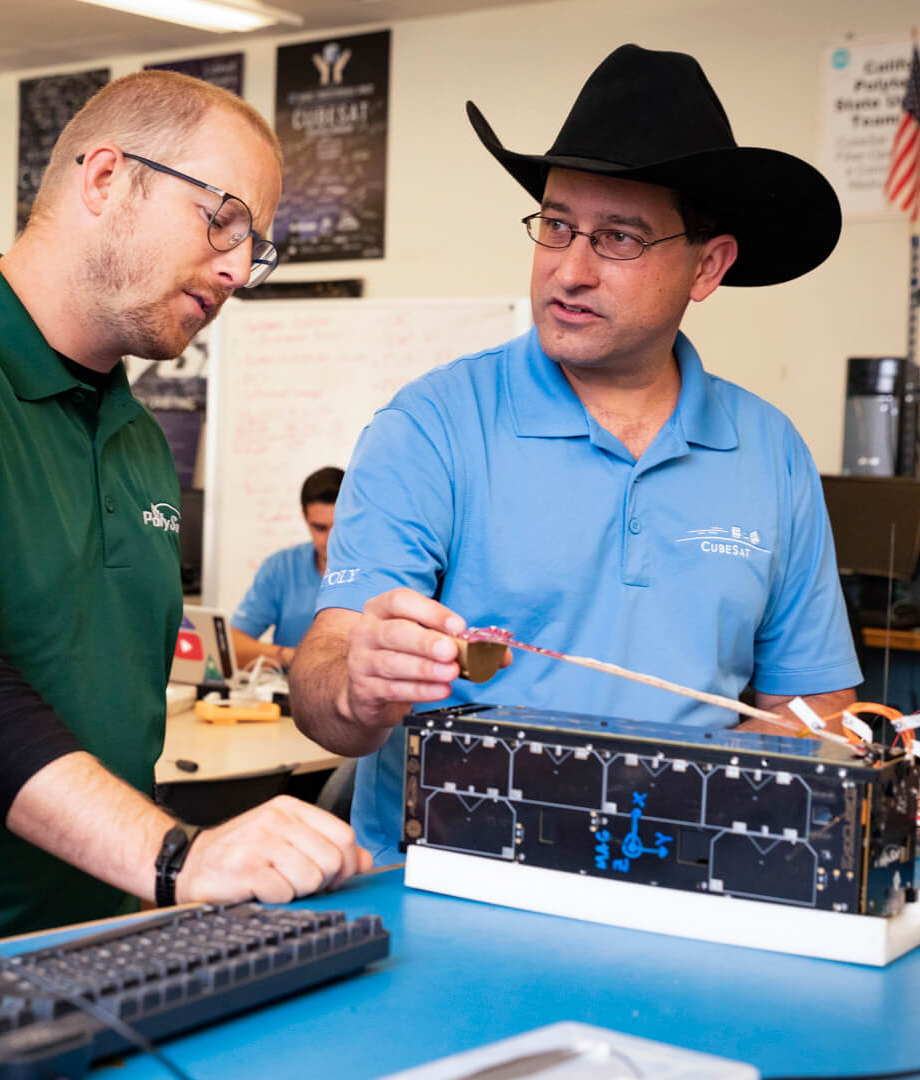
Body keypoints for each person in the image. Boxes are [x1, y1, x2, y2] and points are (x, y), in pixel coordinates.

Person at [0, 70, 369, 940]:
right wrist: (175, 856)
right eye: (223, 221)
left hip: (105, 937)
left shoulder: (138, 441)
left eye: (257, 246)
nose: (239, 270)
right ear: (104, 179)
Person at [289, 44, 864, 867]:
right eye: (556, 226)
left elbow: (815, 709)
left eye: (618, 237)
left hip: (682, 887)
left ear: (708, 266)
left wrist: (727, 811)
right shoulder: (432, 426)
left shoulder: (771, 452)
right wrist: (356, 683)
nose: (570, 270)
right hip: (450, 887)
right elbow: (323, 684)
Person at [230, 467, 341, 671]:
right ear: (305, 519)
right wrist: (291, 657)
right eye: (320, 528)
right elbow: (232, 645)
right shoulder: (280, 567)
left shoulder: (379, 570)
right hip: (286, 685)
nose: (330, 540)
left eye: (338, 527)